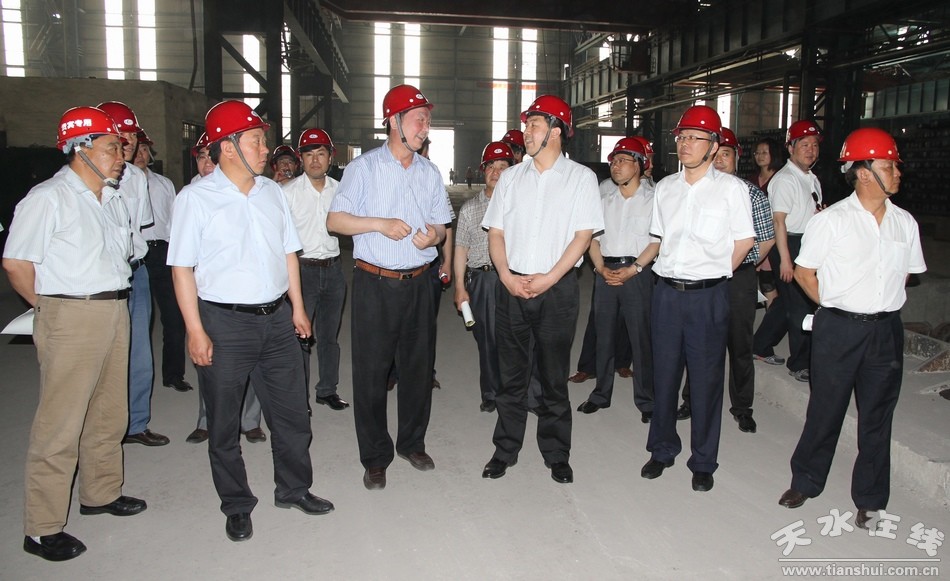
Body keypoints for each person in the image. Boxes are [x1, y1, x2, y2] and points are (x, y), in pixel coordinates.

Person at [168, 100, 333, 542]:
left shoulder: (272, 193)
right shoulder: (195, 199)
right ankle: (237, 504)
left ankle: (294, 489)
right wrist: (195, 330)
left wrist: (297, 308)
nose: (265, 149)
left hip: (277, 320)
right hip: (224, 324)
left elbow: (289, 253)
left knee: (292, 414)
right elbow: (181, 269)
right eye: (256, 141)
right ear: (227, 147)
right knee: (224, 422)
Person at [4, 107, 147, 561]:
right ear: (80, 149)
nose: (121, 157)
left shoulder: (112, 199)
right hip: (70, 313)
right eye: (111, 148)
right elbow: (16, 263)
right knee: (60, 423)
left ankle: (100, 493)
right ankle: (42, 528)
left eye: (122, 148)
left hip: (114, 307)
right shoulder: (48, 198)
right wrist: (48, 309)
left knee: (109, 412)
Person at [778, 128, 925, 529]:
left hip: (885, 332)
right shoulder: (832, 221)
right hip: (838, 330)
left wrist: (876, 300)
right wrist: (835, 306)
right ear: (863, 173)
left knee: (877, 418)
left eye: (894, 166)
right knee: (825, 410)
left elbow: (908, 274)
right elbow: (805, 273)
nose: (897, 173)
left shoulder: (904, 223)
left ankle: (871, 499)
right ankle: (805, 482)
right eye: (889, 166)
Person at [327, 84, 452, 491]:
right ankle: (375, 457)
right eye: (419, 120)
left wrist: (434, 237)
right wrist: (379, 224)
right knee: (371, 373)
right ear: (394, 122)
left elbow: (441, 226)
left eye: (427, 121)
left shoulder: (430, 172)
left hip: (420, 284)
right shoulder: (363, 169)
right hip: (375, 283)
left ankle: (412, 443)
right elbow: (335, 220)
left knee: (418, 369)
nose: (425, 128)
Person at [480, 94, 604, 484]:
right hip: (511, 287)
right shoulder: (511, 178)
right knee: (511, 376)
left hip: (557, 291)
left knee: (553, 376)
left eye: (533, 125)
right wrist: (505, 276)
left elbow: (583, 237)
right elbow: (496, 232)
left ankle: (556, 453)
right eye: (527, 125)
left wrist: (549, 278)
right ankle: (505, 449)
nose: (526, 132)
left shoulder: (581, 179)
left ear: (556, 131)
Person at [640, 105, 754, 493]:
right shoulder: (666, 188)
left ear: (714, 145)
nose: (685, 144)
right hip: (667, 295)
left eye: (695, 138)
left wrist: (715, 272)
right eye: (682, 137)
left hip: (708, 297)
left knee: (706, 381)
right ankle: (662, 449)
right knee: (664, 375)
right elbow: (658, 238)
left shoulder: (731, 190)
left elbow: (745, 241)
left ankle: (703, 460)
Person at [676, 128, 775, 432]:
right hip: (702, 276)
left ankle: (742, 406)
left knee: (740, 344)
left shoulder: (751, 193)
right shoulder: (695, 191)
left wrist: (741, 264)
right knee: (699, 341)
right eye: (715, 154)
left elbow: (766, 238)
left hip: (738, 279)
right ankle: (691, 400)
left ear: (737, 157)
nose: (719, 160)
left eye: (726, 154)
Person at [183, 131, 265, 444]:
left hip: (248, 292)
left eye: (211, 156)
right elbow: (182, 264)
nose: (207, 163)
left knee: (253, 361)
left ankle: (250, 421)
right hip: (209, 296)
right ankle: (207, 420)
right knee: (210, 362)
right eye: (201, 157)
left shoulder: (251, 190)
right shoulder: (191, 196)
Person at [97, 101, 169, 447]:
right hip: (98, 278)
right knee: (102, 356)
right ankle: (103, 429)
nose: (128, 143)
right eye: (120, 136)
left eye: (132, 136)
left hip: (135, 273)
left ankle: (136, 423)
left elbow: (137, 229)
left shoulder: (138, 178)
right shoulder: (87, 182)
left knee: (139, 352)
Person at [577, 137, 659, 423]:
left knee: (640, 338)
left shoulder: (653, 200)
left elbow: (656, 242)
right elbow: (592, 239)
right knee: (604, 336)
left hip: (638, 273)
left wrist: (634, 269)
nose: (616, 165)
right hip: (606, 272)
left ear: (639, 165)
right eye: (614, 160)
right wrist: (600, 268)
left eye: (624, 160)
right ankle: (601, 394)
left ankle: (647, 400)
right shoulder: (603, 199)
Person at [282, 128, 348, 411]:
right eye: (309, 155)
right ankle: (299, 398)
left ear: (330, 157)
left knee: (329, 337)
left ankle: (327, 390)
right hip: (302, 271)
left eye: (321, 153)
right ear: (301, 159)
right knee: (300, 337)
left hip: (333, 270)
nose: (315, 160)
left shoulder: (341, 190)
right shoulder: (287, 193)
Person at [752, 120, 823, 381]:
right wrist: (785, 260)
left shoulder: (810, 178)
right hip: (789, 244)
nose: (810, 150)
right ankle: (799, 363)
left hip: (805, 242)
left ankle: (759, 345)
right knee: (801, 305)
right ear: (790, 148)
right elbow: (778, 222)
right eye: (804, 145)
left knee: (787, 302)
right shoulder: (785, 179)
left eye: (814, 145)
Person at [453, 141, 514, 413]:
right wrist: (459, 286)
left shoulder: (519, 205)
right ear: (483, 171)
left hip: (513, 278)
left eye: (503, 166)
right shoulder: (469, 209)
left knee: (516, 338)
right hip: (483, 281)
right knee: (487, 339)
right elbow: (461, 249)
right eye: (491, 166)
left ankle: (520, 393)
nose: (496, 172)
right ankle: (491, 393)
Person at [134, 130, 192, 394]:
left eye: (145, 149)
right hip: (137, 255)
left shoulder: (164, 184)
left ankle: (173, 374)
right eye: (136, 149)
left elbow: (174, 219)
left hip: (163, 251)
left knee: (174, 318)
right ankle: (135, 376)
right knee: (139, 322)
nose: (140, 154)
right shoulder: (121, 184)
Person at [750, 137, 784, 309]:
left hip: (775, 234)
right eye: (757, 153)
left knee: (770, 279)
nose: (760, 156)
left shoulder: (781, 179)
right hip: (755, 233)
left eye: (765, 152)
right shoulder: (751, 179)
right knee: (764, 281)